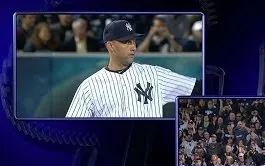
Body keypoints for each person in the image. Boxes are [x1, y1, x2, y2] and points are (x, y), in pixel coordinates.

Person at [66, 20, 202, 118]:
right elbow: (74, 127)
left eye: (133, 41)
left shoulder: (154, 74)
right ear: (110, 45)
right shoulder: (89, 86)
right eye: (126, 42)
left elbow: (198, 88)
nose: (133, 47)